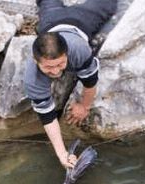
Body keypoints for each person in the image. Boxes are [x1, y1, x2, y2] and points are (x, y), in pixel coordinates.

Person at [24, 0, 118, 168]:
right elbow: (46, 115)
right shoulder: (32, 77)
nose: (55, 72)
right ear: (35, 61)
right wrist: (62, 153)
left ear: (67, 54)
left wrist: (84, 106)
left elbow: (90, 82)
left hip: (82, 21)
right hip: (51, 21)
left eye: (60, 64)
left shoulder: (79, 50)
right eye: (48, 67)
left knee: (110, 4)